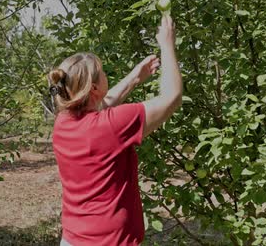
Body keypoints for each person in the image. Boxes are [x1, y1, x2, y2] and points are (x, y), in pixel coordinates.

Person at [48, 15, 183, 246]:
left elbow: (102, 103)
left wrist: (134, 78)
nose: (106, 74)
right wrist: (167, 44)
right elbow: (171, 97)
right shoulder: (111, 125)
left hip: (73, 240)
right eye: (102, 72)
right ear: (93, 88)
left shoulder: (63, 122)